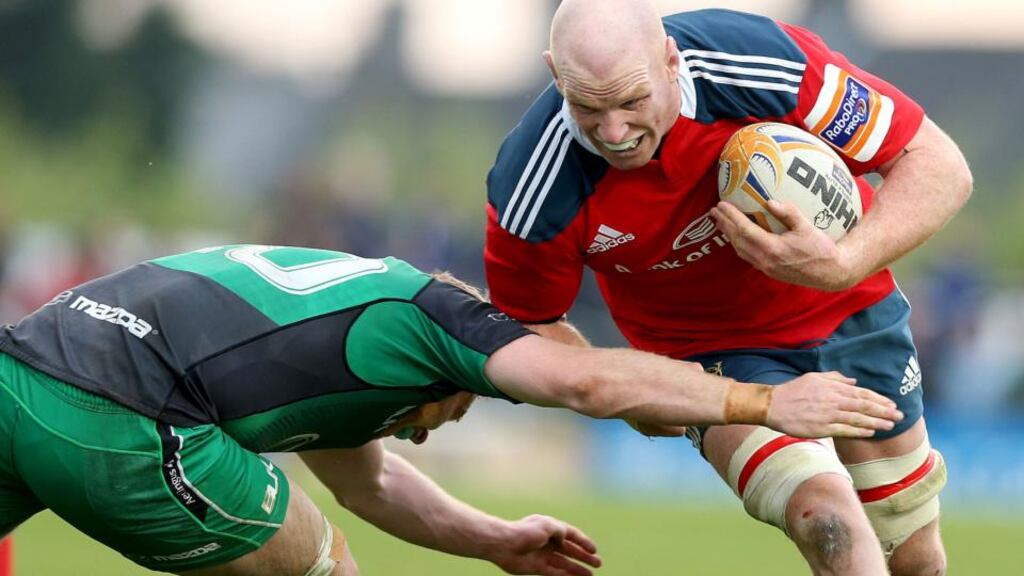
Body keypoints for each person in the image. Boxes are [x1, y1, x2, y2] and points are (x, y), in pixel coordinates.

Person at [0, 244, 900, 576]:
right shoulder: (443, 322)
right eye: (443, 418)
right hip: (132, 415)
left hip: (22, 374)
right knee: (320, 567)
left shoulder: (346, 337)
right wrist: (760, 398)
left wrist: (496, 540)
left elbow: (373, 484)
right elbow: (585, 382)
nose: (424, 430)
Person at [484, 2, 972, 575]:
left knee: (913, 553)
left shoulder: (762, 63)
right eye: (588, 107)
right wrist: (630, 391)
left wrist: (843, 263)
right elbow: (529, 332)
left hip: (849, 308)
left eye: (633, 101)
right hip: (708, 357)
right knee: (826, 517)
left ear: (670, 61)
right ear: (554, 72)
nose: (614, 133)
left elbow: (937, 164)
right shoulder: (532, 184)